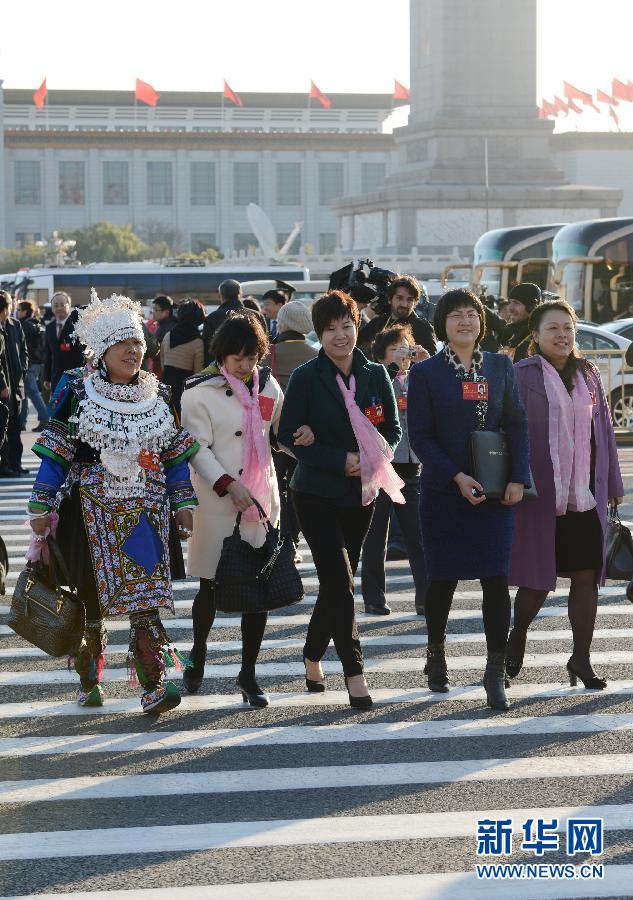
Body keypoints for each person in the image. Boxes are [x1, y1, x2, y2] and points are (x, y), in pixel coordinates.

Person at [27, 291, 199, 713]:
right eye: (124, 345)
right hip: (89, 513)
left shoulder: (156, 396)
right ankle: (89, 677)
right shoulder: (77, 390)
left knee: (144, 600)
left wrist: (182, 502)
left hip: (145, 513)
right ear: (104, 351)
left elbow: (173, 455)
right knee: (90, 602)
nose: (134, 352)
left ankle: (153, 683)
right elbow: (57, 451)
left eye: (138, 344)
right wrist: (41, 503)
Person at [278, 290, 403, 709]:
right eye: (330, 329)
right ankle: (354, 671)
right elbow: (286, 433)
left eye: (346, 325)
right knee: (338, 579)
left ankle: (312, 654)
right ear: (318, 333)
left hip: (362, 493)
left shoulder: (374, 374)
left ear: (356, 325)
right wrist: (338, 458)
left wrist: (368, 456)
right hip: (314, 492)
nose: (340, 335)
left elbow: (394, 431)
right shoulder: (307, 377)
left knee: (339, 583)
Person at [407, 288, 530, 711]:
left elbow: (517, 424)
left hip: (495, 492)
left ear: (481, 323)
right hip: (444, 492)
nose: (464, 322)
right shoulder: (425, 374)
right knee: (442, 578)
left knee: (496, 578)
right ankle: (435, 654)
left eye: (472, 315)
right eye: (456, 316)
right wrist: (456, 476)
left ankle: (494, 670)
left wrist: (518, 477)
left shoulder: (499, 366)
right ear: (442, 325)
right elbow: (420, 437)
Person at [180, 313, 312, 706]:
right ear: (221, 354)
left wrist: (300, 437)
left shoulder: (268, 383)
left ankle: (248, 673)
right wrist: (227, 483)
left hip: (261, 497)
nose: (244, 364)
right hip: (218, 500)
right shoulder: (198, 392)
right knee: (209, 585)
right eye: (236, 357)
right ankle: (198, 654)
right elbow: (195, 448)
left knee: (260, 587)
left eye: (250, 356)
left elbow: (278, 433)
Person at [506, 300, 624, 688]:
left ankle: (581, 659)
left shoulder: (588, 373)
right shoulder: (521, 374)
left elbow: (604, 431)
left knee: (586, 577)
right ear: (535, 335)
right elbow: (509, 431)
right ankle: (517, 632)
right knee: (538, 579)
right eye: (552, 328)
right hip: (541, 493)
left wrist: (614, 484)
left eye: (568, 328)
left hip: (584, 493)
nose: (562, 335)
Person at [361, 326, 429, 616]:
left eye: (407, 348)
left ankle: (426, 597)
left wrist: (426, 363)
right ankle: (374, 597)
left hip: (411, 467)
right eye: (396, 349)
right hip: (380, 465)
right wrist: (391, 368)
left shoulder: (419, 378)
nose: (403, 354)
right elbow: (366, 403)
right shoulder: (374, 375)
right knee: (376, 537)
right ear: (382, 354)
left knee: (418, 536)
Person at [262, 300, 318, 552]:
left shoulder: (268, 353)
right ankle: (294, 536)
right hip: (308, 431)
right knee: (300, 484)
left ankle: (282, 537)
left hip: (275, 431)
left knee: (277, 484)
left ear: (282, 323)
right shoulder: (317, 355)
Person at [358, 274, 437, 358]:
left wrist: (405, 353)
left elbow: (431, 361)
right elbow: (354, 346)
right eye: (399, 298)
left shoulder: (422, 327)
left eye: (409, 299)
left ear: (415, 303)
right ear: (389, 299)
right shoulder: (376, 324)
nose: (404, 304)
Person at [159, 299, 205, 415]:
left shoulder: (168, 335)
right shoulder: (198, 342)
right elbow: (197, 374)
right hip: (185, 390)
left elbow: (162, 363)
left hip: (166, 385)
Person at [0, 291, 27, 477]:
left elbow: (24, 351)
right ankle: (5, 465)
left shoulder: (15, 325)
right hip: (4, 386)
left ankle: (16, 464)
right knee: (4, 427)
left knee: (16, 427)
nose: (12, 308)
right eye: (10, 305)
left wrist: (23, 370)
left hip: (16, 383)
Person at [16, 300, 49, 431]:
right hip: (38, 362)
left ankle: (45, 419)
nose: (17, 312)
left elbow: (22, 347)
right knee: (24, 392)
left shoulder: (25, 325)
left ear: (24, 311)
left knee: (33, 392)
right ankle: (21, 421)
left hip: (30, 363)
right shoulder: (38, 323)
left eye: (18, 310)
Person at [43, 292, 85, 393]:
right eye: (56, 305)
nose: (59, 308)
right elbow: (48, 354)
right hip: (56, 378)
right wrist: (47, 377)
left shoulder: (77, 325)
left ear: (69, 306)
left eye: (62, 305)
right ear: (52, 308)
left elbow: (83, 351)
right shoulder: (49, 327)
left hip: (75, 378)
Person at [202, 279, 244, 363]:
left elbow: (208, 349)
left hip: (220, 368)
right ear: (240, 294)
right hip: (249, 368)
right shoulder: (256, 315)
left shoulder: (212, 318)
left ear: (221, 295)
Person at [502, 283, 541, 362]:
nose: (510, 308)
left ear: (531, 307)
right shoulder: (511, 335)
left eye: (516, 303)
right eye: (510, 302)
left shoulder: (537, 340)